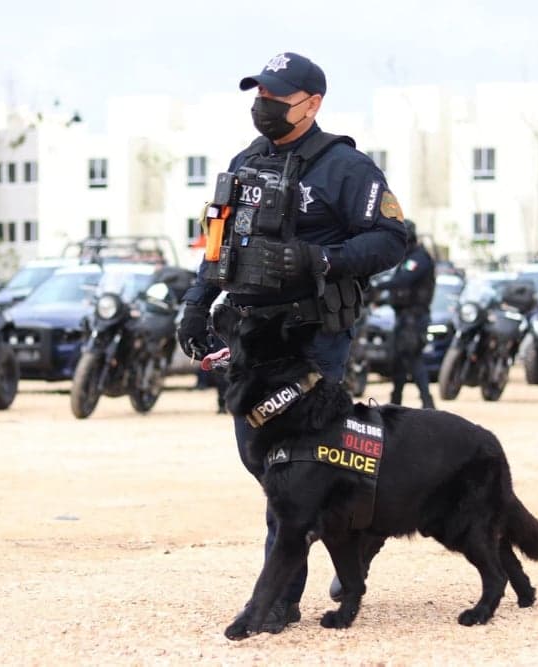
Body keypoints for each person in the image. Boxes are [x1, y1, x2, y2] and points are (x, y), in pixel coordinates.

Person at [176, 52, 407, 632]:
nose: (265, 107)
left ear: (312, 104)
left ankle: (279, 598)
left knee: (293, 469)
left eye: (277, 98)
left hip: (312, 338)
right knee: (262, 463)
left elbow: (391, 239)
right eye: (260, 96)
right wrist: (197, 304)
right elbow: (216, 243)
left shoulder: (346, 167)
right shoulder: (244, 161)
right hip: (252, 339)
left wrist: (322, 258)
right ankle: (356, 532)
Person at [384, 219, 436, 409]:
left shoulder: (419, 258)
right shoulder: (406, 258)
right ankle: (395, 403)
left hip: (415, 318)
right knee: (398, 360)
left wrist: (377, 286)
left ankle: (427, 403)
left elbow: (403, 280)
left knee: (413, 358)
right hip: (404, 317)